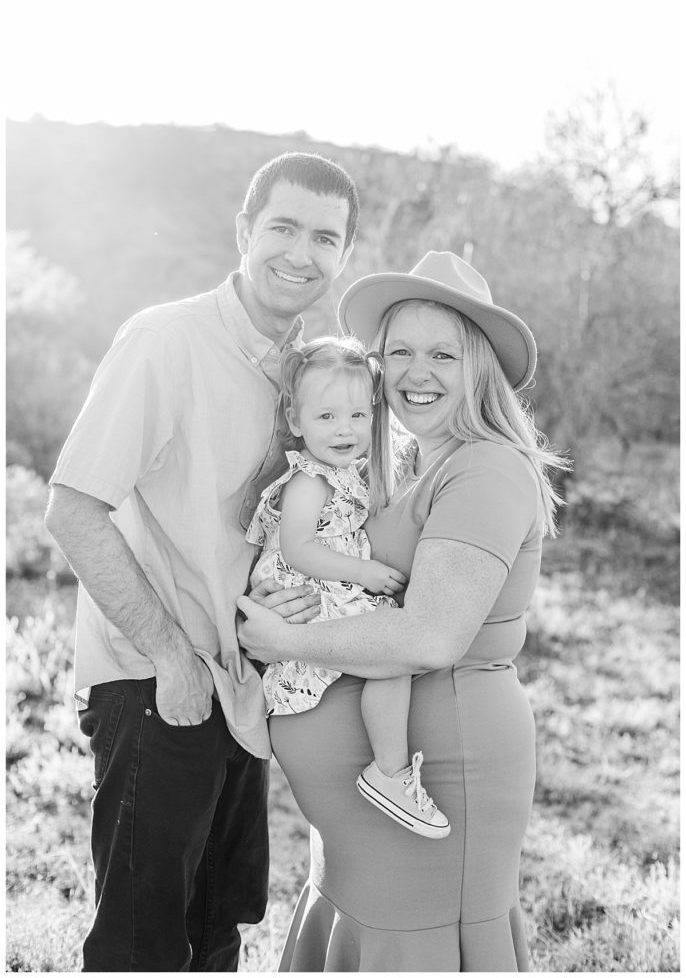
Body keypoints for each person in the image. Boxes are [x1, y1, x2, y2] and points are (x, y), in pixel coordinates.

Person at [43, 151, 359, 972]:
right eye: (283, 227)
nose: (301, 252)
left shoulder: (309, 374)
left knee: (218, 929)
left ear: (344, 256)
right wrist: (169, 659)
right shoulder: (165, 341)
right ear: (244, 231)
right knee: (143, 946)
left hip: (242, 688)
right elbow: (73, 509)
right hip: (159, 680)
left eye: (324, 237)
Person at [238, 250, 569, 972]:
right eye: (401, 353)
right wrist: (280, 591)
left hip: (440, 780)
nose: (418, 373)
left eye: (443, 354)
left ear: (478, 366)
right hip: (361, 828)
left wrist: (284, 636)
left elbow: (430, 635)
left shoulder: (484, 468)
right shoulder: (414, 463)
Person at [245, 336, 450, 839]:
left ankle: (389, 768)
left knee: (390, 663)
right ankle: (391, 771)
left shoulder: (351, 472)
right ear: (296, 421)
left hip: (333, 588)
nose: (345, 430)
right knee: (391, 656)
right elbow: (296, 548)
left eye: (358, 416)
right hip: (316, 591)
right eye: (327, 417)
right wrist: (363, 573)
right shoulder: (309, 480)